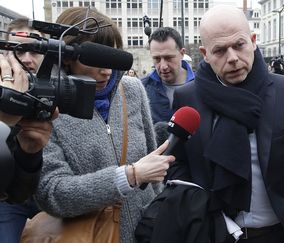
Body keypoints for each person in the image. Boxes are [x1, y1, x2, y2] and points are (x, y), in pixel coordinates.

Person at [168, 5, 284, 243]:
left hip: (280, 232)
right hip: (214, 232)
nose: (232, 58)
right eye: (220, 50)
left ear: (253, 41)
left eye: (239, 45)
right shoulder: (187, 99)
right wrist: (208, 209)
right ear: (205, 53)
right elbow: (178, 166)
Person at [34, 7, 175, 243]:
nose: (106, 70)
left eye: (110, 55)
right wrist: (127, 177)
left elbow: (153, 168)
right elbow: (52, 192)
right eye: (95, 58)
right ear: (67, 56)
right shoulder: (46, 105)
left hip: (148, 234)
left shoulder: (132, 90)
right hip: (91, 236)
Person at [0, 18, 52, 243]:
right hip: (10, 201)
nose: (28, 60)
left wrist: (30, 152)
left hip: (50, 195)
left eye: (35, 50)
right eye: (20, 50)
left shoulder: (62, 89)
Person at [142, 27, 195, 123]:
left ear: (182, 53)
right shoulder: (142, 88)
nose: (163, 66)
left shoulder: (202, 86)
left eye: (168, 58)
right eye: (157, 59)